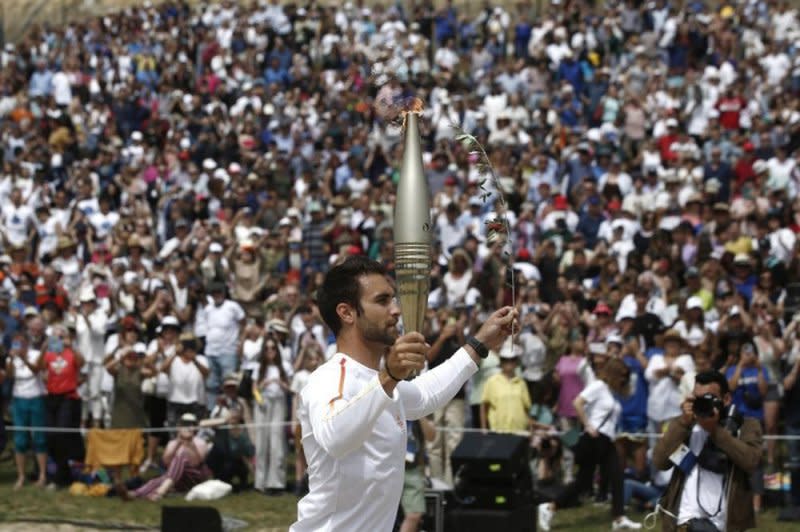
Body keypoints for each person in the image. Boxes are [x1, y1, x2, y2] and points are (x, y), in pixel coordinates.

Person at [290, 256, 516, 532]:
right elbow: (336, 437)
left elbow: (425, 394)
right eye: (383, 301)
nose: (396, 310)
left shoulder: (380, 383)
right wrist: (390, 377)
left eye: (393, 299)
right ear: (347, 313)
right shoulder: (329, 378)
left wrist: (480, 343)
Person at [537, 358, 641, 531]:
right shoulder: (598, 386)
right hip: (594, 438)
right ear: (613, 373)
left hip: (607, 440)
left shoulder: (611, 392)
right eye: (622, 375)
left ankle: (619, 518)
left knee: (616, 476)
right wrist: (587, 424)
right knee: (583, 482)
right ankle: (549, 507)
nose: (624, 379)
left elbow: (628, 394)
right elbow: (578, 402)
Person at [652, 370, 762, 532]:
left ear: (726, 399)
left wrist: (715, 431)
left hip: (724, 524)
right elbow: (659, 461)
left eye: (708, 399)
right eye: (698, 398)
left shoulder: (746, 426)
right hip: (684, 521)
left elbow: (751, 461)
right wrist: (682, 423)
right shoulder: (685, 425)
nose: (703, 403)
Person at [128, 412, 211, 501]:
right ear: (179, 426)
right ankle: (137, 493)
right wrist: (179, 443)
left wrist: (190, 444)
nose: (187, 427)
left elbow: (197, 463)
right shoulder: (172, 443)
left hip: (195, 477)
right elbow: (166, 463)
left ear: (195, 427)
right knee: (158, 480)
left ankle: (159, 492)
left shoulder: (200, 442)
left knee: (181, 456)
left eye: (190, 424)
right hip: (177, 478)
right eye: (184, 424)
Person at [40, 324, 85, 487]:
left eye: (60, 336)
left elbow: (82, 363)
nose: (57, 339)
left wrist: (70, 346)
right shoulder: (49, 353)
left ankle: (61, 476)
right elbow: (39, 367)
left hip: (68, 397)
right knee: (50, 435)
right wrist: (44, 348)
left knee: (61, 434)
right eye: (55, 336)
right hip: (51, 397)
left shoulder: (71, 352)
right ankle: (63, 470)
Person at [7, 331, 47, 489]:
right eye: (16, 343)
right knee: (20, 439)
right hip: (19, 399)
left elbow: (37, 370)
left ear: (27, 343)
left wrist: (24, 357)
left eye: (21, 342)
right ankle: (21, 476)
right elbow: (10, 376)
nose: (19, 346)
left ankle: (42, 475)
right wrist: (11, 358)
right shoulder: (12, 358)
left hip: (35, 397)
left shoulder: (35, 354)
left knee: (39, 437)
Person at [253, 337, 290, 495]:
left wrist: (280, 383)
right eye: (267, 349)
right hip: (263, 404)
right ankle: (260, 482)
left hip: (278, 403)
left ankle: (276, 482)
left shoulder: (284, 367)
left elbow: (290, 388)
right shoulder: (258, 368)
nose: (270, 352)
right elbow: (254, 390)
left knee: (276, 442)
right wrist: (263, 387)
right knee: (262, 442)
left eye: (273, 348)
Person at [480, 345, 532, 433]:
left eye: (512, 360)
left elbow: (526, 408)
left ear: (516, 362)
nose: (509, 363)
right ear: (501, 361)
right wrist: (484, 429)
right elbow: (484, 406)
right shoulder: (492, 381)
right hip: (498, 430)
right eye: (505, 360)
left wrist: (529, 428)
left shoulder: (521, 383)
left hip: (519, 430)